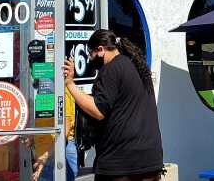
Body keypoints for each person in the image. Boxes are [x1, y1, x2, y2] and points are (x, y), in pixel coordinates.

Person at [63, 30, 164, 181]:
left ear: (101, 50)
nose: (90, 60)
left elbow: (98, 110)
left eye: (91, 54)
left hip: (121, 164)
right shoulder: (137, 66)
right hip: (151, 160)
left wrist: (70, 84)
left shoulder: (111, 69)